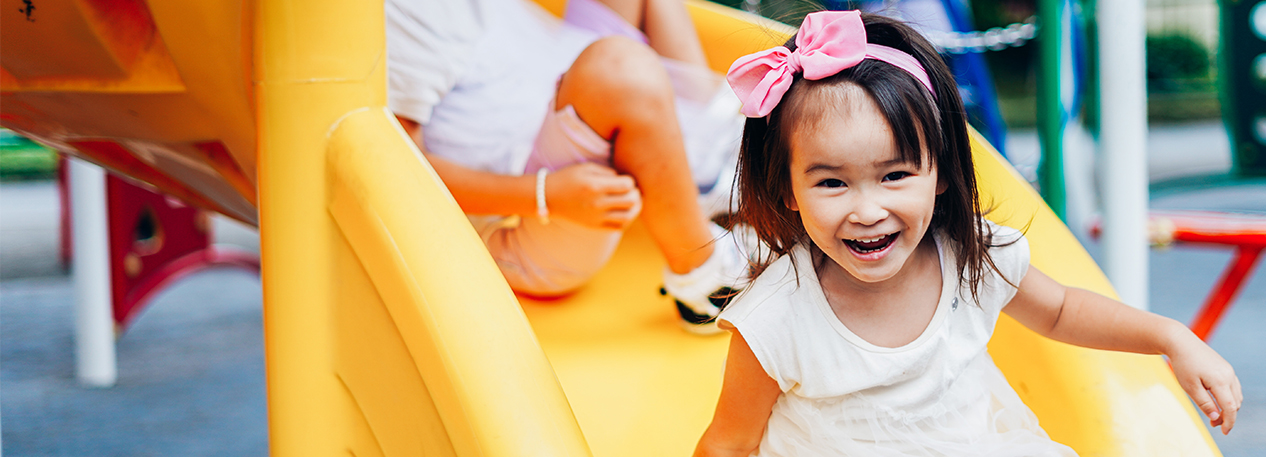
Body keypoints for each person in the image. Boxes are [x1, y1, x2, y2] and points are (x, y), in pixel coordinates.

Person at [693, 10, 1242, 456]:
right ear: (788, 190)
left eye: (895, 175)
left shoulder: (969, 256)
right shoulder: (777, 317)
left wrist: (1172, 338)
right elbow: (728, 443)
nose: (867, 209)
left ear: (940, 174)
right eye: (833, 183)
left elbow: (1060, 310)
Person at [385, 0, 750, 334]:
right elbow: (404, 176)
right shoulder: (395, 22)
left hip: (549, 79)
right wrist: (547, 195)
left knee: (616, 64)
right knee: (620, 68)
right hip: (530, 210)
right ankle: (705, 279)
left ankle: (705, 159)